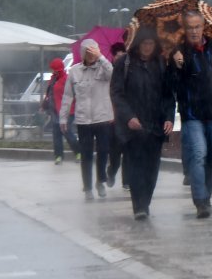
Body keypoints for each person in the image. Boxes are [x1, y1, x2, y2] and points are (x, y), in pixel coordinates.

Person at [110, 28, 175, 220]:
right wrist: (128, 116)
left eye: (151, 44)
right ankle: (139, 205)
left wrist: (169, 117)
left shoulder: (161, 64)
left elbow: (168, 95)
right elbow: (116, 93)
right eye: (144, 43)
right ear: (138, 44)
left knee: (152, 167)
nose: (147, 47)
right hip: (133, 127)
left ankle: (145, 201)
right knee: (136, 165)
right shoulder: (125, 63)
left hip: (155, 125)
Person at [172, 10, 212, 219]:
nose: (194, 31)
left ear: (203, 27)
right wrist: (175, 64)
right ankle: (201, 200)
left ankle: (206, 193)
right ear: (184, 29)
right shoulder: (178, 51)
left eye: (197, 26)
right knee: (199, 154)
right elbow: (172, 84)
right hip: (192, 112)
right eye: (190, 27)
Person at [60, 39, 114, 200]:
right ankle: (88, 187)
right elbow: (67, 96)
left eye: (94, 52)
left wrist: (101, 58)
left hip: (102, 118)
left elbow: (113, 74)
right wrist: (63, 118)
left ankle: (100, 181)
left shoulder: (104, 68)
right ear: (83, 54)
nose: (91, 56)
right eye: (88, 53)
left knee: (104, 150)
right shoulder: (75, 71)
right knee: (86, 154)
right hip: (84, 120)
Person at [42, 58, 80, 165]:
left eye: (55, 69)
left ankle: (78, 152)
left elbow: (73, 94)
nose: (53, 71)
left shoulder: (67, 79)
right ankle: (58, 156)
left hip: (67, 111)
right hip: (54, 111)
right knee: (56, 134)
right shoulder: (52, 79)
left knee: (67, 132)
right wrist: (44, 105)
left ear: (59, 69)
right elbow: (49, 94)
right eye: (53, 69)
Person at [106, 42, 129, 190]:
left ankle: (126, 180)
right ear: (113, 57)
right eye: (117, 55)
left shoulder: (130, 71)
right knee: (115, 151)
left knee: (128, 149)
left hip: (127, 116)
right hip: (112, 117)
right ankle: (111, 171)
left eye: (122, 55)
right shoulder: (107, 72)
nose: (119, 58)